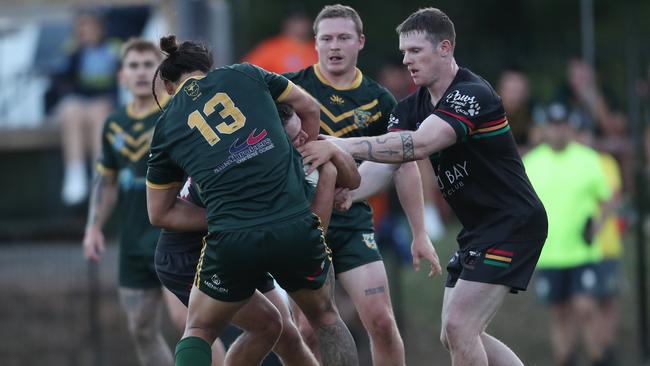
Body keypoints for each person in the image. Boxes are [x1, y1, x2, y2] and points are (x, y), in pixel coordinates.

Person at [300, 8, 548, 366]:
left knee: (461, 327)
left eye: (415, 51)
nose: (406, 60)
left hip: (513, 223)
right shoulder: (409, 107)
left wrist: (341, 145)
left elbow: (418, 145)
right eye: (404, 52)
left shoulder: (472, 94)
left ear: (445, 48)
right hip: (481, 229)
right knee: (455, 332)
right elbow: (389, 164)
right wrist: (350, 192)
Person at [145, 35, 359, 366]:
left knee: (265, 329)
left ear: (170, 87)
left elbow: (157, 212)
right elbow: (311, 107)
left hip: (232, 238)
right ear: (210, 70)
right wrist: (315, 159)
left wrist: (319, 167)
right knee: (325, 318)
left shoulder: (166, 126)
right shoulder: (245, 76)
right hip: (190, 249)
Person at [283, 5, 440, 365]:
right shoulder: (290, 90)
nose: (334, 46)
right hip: (301, 222)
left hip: (352, 221)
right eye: (326, 38)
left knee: (382, 320)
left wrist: (419, 232)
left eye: (343, 38)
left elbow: (402, 164)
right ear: (316, 43)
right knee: (305, 330)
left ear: (360, 42)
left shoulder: (380, 100)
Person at [81, 38, 185, 366]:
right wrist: (94, 226)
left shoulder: (176, 114)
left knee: (189, 325)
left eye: (147, 65)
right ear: (121, 76)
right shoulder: (114, 124)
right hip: (133, 242)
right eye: (133, 66)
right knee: (140, 328)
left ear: (161, 72)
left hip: (175, 236)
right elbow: (107, 179)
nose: (141, 72)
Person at [525, 104, 616, 366]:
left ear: (570, 127)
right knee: (559, 312)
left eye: (563, 125)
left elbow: (607, 199)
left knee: (585, 307)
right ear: (545, 129)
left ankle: (598, 357)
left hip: (582, 252)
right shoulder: (532, 162)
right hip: (550, 253)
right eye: (553, 126)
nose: (558, 131)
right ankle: (565, 358)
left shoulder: (587, 159)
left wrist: (597, 225)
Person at [55, 11, 120, 205]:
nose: (85, 32)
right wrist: (76, 52)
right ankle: (74, 173)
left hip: (105, 100)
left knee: (98, 112)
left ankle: (98, 172)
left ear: (99, 28)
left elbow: (122, 78)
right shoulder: (73, 49)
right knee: (70, 110)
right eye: (81, 28)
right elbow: (62, 80)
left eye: (89, 27)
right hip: (81, 101)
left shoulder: (113, 47)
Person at [242, 9, 317, 74]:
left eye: (303, 21)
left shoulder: (317, 48)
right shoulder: (270, 48)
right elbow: (244, 71)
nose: (301, 25)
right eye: (296, 21)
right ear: (287, 23)